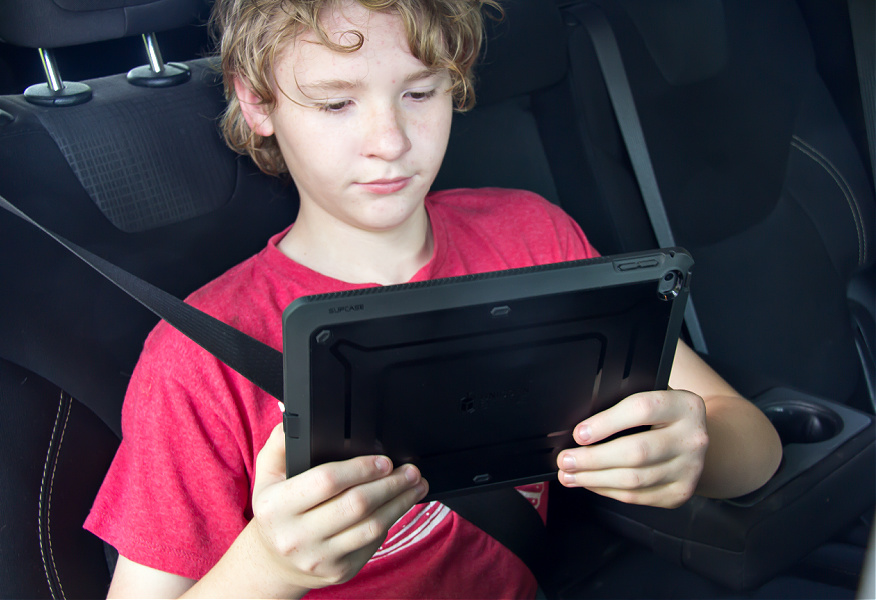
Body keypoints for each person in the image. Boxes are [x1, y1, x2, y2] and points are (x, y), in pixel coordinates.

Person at [85, 0, 783, 597]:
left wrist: (695, 450)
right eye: (335, 103)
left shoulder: (531, 235)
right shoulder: (199, 356)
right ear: (257, 102)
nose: (388, 141)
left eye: (419, 93)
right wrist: (270, 564)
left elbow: (754, 445)